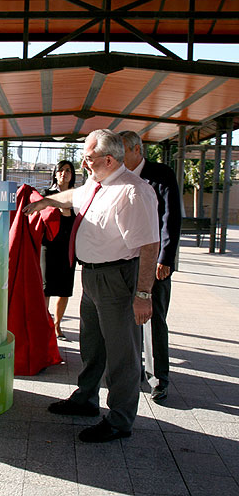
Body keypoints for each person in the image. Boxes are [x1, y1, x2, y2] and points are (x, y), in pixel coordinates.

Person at [24, 129, 159, 443]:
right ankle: (85, 399)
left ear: (108, 159)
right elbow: (73, 196)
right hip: (93, 276)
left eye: (88, 158)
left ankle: (119, 420)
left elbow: (150, 246)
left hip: (118, 278)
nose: (83, 164)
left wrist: (143, 294)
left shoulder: (133, 192)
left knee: (122, 353)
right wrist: (46, 200)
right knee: (92, 343)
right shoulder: (96, 185)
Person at [119, 130, 181, 403]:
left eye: (122, 151)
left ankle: (158, 379)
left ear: (136, 149)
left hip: (153, 262)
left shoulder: (161, 174)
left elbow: (171, 217)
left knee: (153, 319)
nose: (118, 157)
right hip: (122, 260)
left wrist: (165, 257)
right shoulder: (117, 177)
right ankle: (127, 373)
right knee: (122, 317)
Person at [8, 183, 61, 376]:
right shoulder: (30, 198)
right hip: (27, 264)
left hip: (9, 261)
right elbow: (51, 215)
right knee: (29, 307)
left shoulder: (12, 201)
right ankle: (28, 355)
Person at [40, 160, 77, 340]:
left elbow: (73, 218)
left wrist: (62, 206)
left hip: (68, 248)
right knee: (46, 287)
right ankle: (43, 323)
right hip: (48, 247)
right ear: (55, 174)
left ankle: (57, 326)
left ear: (72, 174)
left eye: (68, 170)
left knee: (64, 289)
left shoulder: (79, 195)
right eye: (61, 170)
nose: (64, 173)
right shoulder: (45, 194)